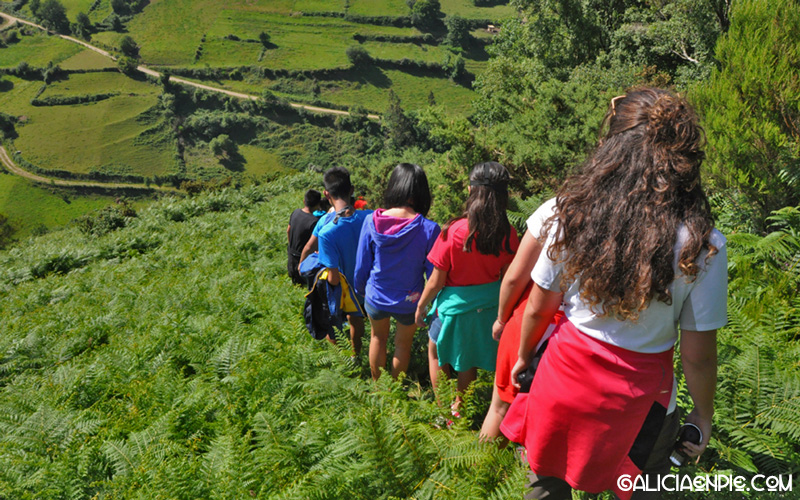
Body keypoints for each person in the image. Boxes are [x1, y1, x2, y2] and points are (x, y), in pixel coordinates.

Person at [501, 88, 728, 500]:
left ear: (612, 146)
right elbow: (699, 354)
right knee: (646, 483)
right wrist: (704, 414)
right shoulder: (702, 242)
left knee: (546, 481)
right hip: (643, 402)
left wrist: (522, 356)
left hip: (564, 379)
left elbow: (538, 306)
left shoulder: (569, 211)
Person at [415, 162, 519, 411]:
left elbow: (436, 281)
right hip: (489, 309)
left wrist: (420, 307)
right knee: (468, 358)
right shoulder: (508, 234)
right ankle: (460, 407)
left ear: (472, 190)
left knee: (434, 351)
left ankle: (444, 410)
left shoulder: (455, 230)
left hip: (454, 310)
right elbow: (508, 279)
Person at [478, 197, 560, 443]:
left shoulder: (558, 208)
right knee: (543, 423)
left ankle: (477, 475)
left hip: (529, 320)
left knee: (500, 408)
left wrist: (501, 319)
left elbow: (515, 277)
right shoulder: (639, 220)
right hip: (576, 335)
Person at [354, 163, 441, 380]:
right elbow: (433, 276)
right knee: (403, 346)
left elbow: (361, 264)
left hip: (376, 295)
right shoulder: (429, 229)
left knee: (377, 338)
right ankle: (394, 390)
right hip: (409, 300)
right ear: (421, 192)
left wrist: (361, 290)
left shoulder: (370, 221)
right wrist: (432, 304)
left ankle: (378, 388)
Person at [315, 167, 372, 356]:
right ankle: (356, 354)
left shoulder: (327, 232)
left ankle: (344, 362)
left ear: (326, 194)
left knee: (333, 327)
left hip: (342, 290)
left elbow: (332, 278)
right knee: (358, 322)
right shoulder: (370, 218)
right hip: (367, 287)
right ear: (352, 189)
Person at [287, 189, 322, 285]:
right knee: (303, 286)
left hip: (291, 256)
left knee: (295, 284)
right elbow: (311, 246)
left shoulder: (295, 212)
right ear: (318, 205)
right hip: (303, 260)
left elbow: (288, 230)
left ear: (304, 201)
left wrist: (291, 247)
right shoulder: (314, 222)